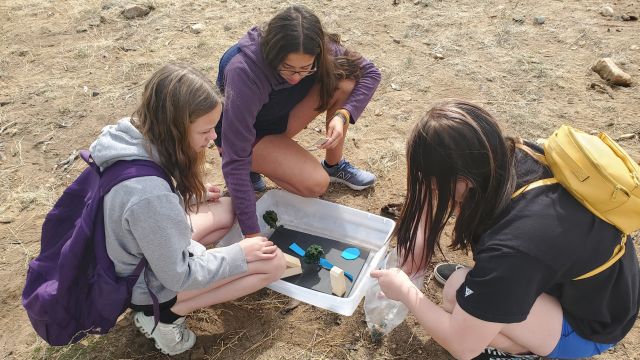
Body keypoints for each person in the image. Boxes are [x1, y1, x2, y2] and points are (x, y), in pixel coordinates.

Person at [370, 99, 640, 360]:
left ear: (463, 182)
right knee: (462, 289)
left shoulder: (515, 245)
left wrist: (405, 290)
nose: (432, 193)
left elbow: (462, 346)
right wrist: (417, 250)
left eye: (433, 185)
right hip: (596, 291)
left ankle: (515, 348)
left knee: (456, 296)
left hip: (592, 327)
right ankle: (495, 294)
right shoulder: (507, 157)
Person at [89, 63, 286, 356]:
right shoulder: (149, 196)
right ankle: (165, 317)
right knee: (275, 263)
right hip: (143, 285)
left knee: (225, 210)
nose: (213, 138)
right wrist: (239, 254)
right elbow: (178, 276)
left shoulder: (129, 136)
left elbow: (141, 212)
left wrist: (181, 193)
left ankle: (167, 307)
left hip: (129, 256)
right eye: (205, 130)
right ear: (175, 128)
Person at [215, 5, 381, 238]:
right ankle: (255, 163)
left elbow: (371, 73)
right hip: (246, 134)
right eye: (287, 68)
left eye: (306, 68)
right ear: (272, 54)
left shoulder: (317, 46)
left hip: (278, 116)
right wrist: (252, 237)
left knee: (344, 81)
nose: (295, 77)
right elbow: (234, 157)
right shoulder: (244, 70)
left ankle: (334, 166)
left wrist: (342, 115)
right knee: (316, 185)